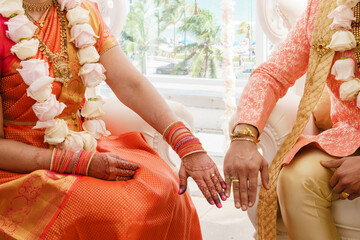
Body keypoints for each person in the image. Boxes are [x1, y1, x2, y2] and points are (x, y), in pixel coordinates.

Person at [0, 0, 227, 239]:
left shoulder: (84, 11)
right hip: (21, 164)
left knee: (163, 186)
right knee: (108, 209)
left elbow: (131, 84)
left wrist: (188, 146)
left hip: (85, 145)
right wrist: (81, 164)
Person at [224, 0, 360, 239]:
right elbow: (272, 73)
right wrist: (244, 135)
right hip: (350, 135)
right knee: (297, 179)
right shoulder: (323, 8)